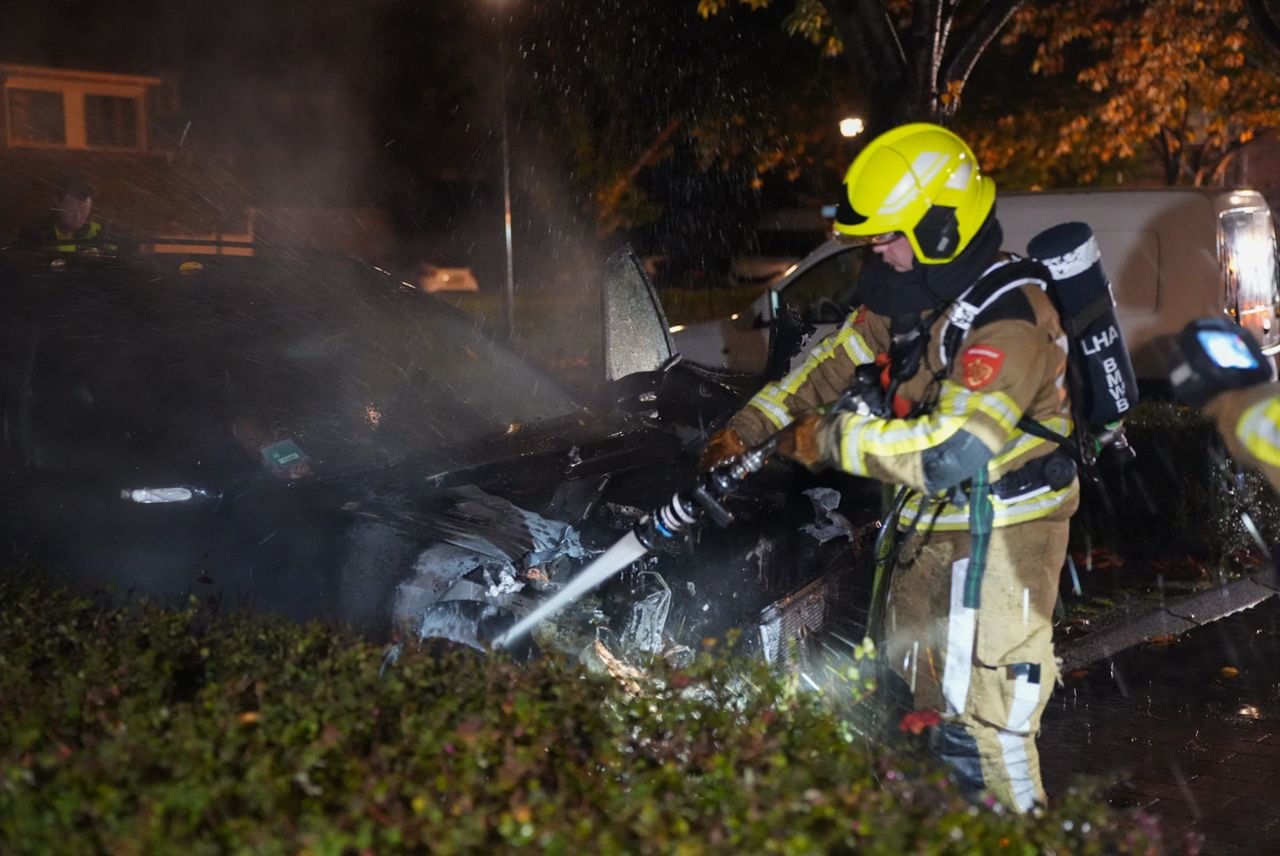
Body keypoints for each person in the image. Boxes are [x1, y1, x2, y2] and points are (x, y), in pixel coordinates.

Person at [701, 123, 1078, 812]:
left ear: (942, 226)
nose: (876, 248)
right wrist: (744, 430)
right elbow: (825, 365)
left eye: (888, 235)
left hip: (1006, 536)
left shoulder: (1011, 321)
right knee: (915, 703)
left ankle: (1023, 834)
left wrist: (830, 442)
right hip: (930, 526)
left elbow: (948, 452)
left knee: (988, 723)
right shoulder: (918, 295)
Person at [18, 174, 113, 252]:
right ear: (56, 202)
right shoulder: (36, 234)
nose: (77, 218)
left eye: (84, 212)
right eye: (71, 211)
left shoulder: (101, 232)